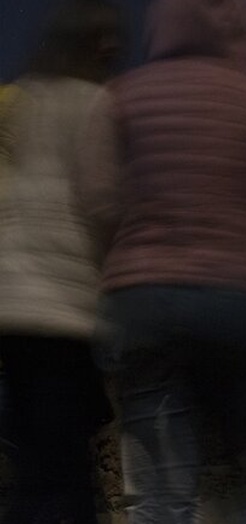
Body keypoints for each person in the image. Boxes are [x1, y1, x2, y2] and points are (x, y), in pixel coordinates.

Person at [77, 0, 246, 521]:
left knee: (156, 481)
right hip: (235, 297)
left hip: (144, 299)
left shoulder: (123, 96)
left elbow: (97, 198)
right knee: (241, 468)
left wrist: (135, 248)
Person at [0, 1, 122, 522]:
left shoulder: (11, 100)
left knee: (32, 458)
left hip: (8, 302)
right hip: (63, 308)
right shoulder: (98, 105)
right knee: (60, 468)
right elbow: (107, 205)